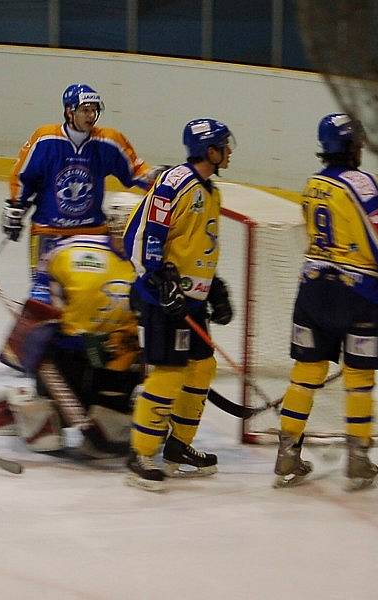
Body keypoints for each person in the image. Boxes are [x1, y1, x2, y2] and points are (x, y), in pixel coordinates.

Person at [273, 113, 378, 490]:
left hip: (312, 291)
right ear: (352, 145)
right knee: (358, 378)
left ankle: (287, 453)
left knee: (306, 373)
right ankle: (358, 459)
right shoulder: (367, 183)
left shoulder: (312, 184)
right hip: (357, 296)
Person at [121, 118, 236, 491]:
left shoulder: (211, 192)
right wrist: (156, 279)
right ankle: (141, 453)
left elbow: (195, 246)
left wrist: (213, 287)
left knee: (202, 368)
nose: (229, 152)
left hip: (191, 298)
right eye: (224, 146)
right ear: (209, 151)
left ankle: (178, 447)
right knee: (169, 373)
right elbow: (144, 237)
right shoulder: (175, 182)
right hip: (164, 300)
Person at [0, 193, 143, 458]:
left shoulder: (147, 264)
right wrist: (38, 339)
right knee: (47, 439)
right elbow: (38, 310)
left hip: (112, 358)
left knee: (111, 440)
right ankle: (13, 405)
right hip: (68, 358)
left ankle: (98, 410)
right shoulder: (71, 252)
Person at [1, 83, 160, 304]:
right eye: (85, 110)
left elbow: (135, 170)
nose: (91, 115)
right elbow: (24, 176)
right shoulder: (45, 139)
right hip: (49, 232)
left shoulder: (107, 141)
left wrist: (159, 179)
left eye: (94, 110)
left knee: (90, 298)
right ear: (69, 111)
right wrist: (16, 206)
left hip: (91, 233)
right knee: (44, 297)